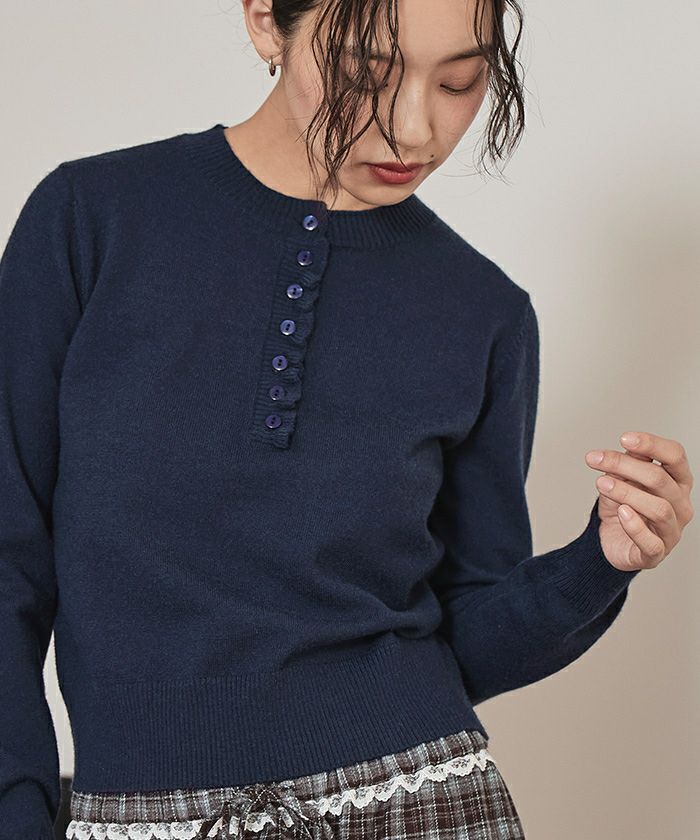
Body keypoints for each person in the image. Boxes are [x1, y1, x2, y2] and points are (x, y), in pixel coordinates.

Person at [0, 1, 694, 839]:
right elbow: (9, 558)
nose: (414, 128)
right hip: (139, 809)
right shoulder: (91, 221)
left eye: (460, 82)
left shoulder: (483, 313)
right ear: (267, 21)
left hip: (420, 801)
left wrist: (599, 564)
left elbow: (467, 638)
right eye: (367, 74)